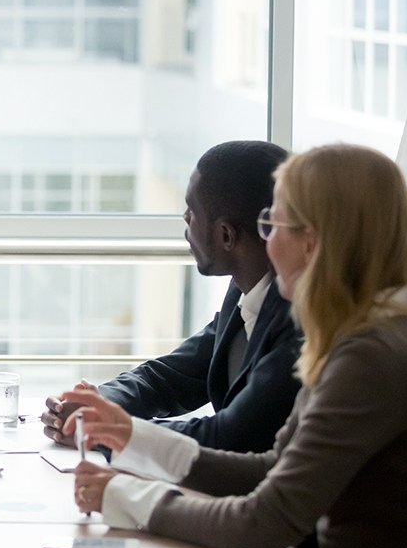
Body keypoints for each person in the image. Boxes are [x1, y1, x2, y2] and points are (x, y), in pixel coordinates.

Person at [66, 144, 407, 548]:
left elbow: (263, 523)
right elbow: (270, 469)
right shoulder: (363, 332)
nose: (266, 242)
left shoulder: (372, 356)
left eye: (273, 225)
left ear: (313, 240)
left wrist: (124, 497)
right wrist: (131, 437)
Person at [42, 140, 301, 453]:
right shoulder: (245, 290)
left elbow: (231, 436)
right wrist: (99, 403)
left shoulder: (299, 321)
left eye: (192, 211)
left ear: (226, 236)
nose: (185, 219)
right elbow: (171, 377)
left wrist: (107, 431)